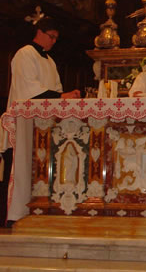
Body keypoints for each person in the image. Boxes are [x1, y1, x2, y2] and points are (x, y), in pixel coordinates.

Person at [3, 16, 80, 226]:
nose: (54, 42)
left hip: (44, 124)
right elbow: (29, 90)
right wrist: (62, 96)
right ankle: (14, 215)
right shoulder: (24, 54)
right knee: (21, 168)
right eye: (51, 37)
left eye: (56, 38)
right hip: (25, 123)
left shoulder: (50, 61)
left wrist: (66, 96)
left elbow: (55, 90)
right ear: (40, 32)